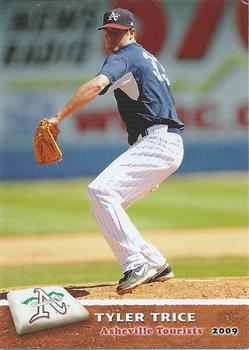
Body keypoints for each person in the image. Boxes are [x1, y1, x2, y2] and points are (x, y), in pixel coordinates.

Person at [48, 8, 184, 295]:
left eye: (118, 31)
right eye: (108, 31)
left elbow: (98, 84)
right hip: (160, 142)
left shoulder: (125, 57)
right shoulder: (146, 57)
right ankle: (153, 261)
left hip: (158, 141)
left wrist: (58, 117)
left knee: (101, 192)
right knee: (103, 206)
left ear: (131, 32)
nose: (111, 36)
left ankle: (135, 263)